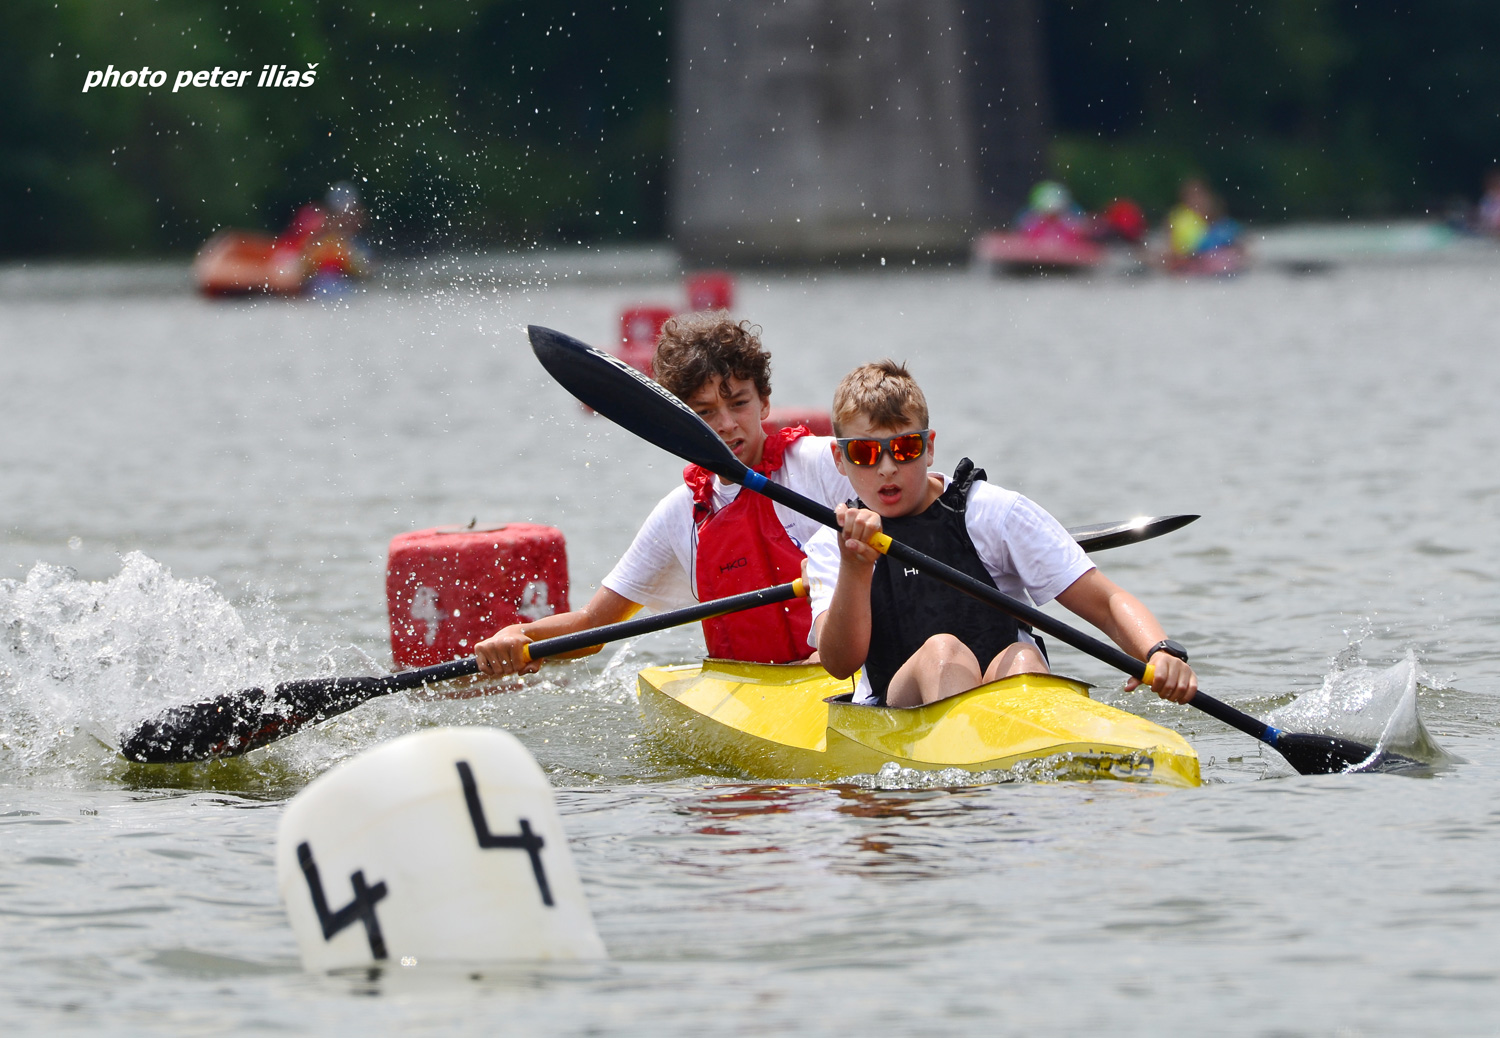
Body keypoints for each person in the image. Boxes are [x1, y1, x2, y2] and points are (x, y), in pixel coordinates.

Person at [476, 312, 854, 677]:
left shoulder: (824, 463)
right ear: (680, 425)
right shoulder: (680, 513)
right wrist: (520, 634)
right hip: (754, 690)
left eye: (739, 403)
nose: (726, 424)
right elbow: (593, 625)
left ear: (765, 402)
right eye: (705, 412)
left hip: (843, 673)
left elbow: (891, 520)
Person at [804, 360, 1197, 708]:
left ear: (929, 447)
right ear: (840, 458)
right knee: (943, 652)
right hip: (895, 703)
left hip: (1001, 683)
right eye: (865, 453)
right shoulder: (831, 544)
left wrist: (1158, 651)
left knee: (1023, 660)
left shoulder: (993, 512)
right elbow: (839, 664)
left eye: (905, 447)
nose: (887, 467)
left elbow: (1106, 601)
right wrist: (855, 567)